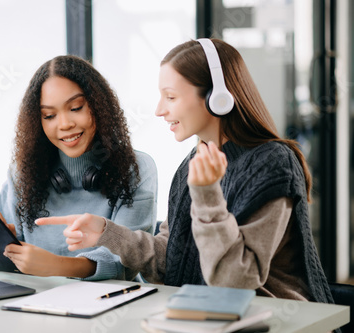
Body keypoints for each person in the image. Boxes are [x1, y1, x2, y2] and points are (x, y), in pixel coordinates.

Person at [36, 38, 335, 304]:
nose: (159, 110)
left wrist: (207, 195)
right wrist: (106, 233)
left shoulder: (272, 163)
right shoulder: (191, 166)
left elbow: (236, 281)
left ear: (216, 97)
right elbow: (170, 259)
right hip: (206, 316)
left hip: (277, 319)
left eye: (171, 97)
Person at [0, 55, 158, 281]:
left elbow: (128, 263)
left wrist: (56, 266)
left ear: (99, 106)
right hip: (34, 302)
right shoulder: (24, 172)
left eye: (76, 108)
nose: (65, 124)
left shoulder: (136, 169)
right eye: (49, 115)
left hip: (110, 304)